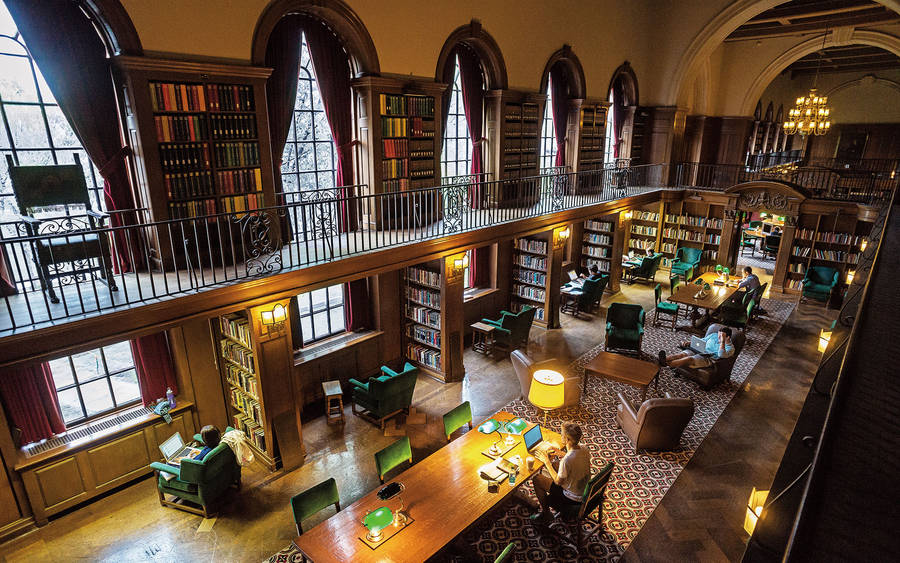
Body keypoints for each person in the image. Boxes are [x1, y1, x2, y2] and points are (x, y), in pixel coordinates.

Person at [530, 422, 591, 521]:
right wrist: (561, 453)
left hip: (572, 499)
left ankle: (546, 514)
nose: (561, 436)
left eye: (562, 434)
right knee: (556, 465)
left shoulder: (567, 460)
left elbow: (558, 482)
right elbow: (575, 458)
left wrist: (546, 462)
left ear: (567, 439)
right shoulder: (584, 448)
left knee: (537, 479)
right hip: (584, 490)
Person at [658, 327, 734, 369]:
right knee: (681, 355)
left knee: (689, 359)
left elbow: (721, 355)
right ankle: (662, 360)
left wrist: (722, 341)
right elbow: (702, 341)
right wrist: (690, 342)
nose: (718, 337)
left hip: (708, 359)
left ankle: (667, 364)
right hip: (700, 350)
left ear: (728, 337)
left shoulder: (730, 348)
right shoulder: (714, 335)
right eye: (718, 335)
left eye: (721, 336)